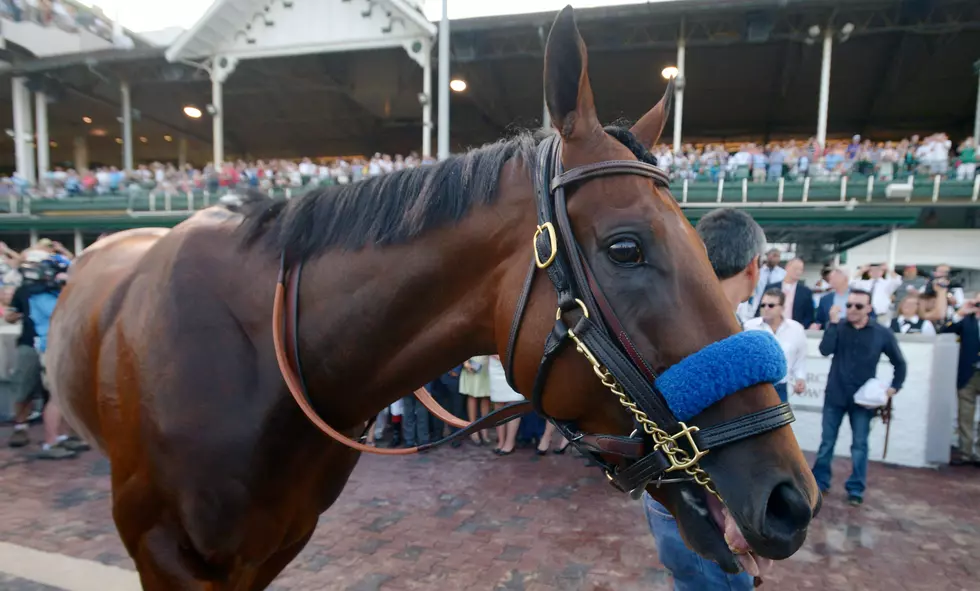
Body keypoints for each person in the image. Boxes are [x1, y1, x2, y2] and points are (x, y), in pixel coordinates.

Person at [643, 208, 765, 591]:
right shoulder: (731, 345)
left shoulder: (659, 324)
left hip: (667, 499)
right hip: (715, 512)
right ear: (754, 268)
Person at [811, 289, 906, 506]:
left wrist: (893, 388)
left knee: (860, 445)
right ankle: (820, 482)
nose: (852, 309)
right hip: (835, 395)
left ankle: (856, 488)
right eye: (850, 305)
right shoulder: (839, 327)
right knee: (827, 442)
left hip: (864, 400)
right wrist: (833, 324)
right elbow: (825, 350)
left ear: (869, 309)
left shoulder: (881, 333)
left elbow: (899, 363)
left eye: (858, 306)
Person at [10, 257, 89, 458]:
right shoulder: (42, 297)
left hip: (55, 347)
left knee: (61, 398)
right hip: (50, 348)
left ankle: (61, 437)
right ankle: (51, 441)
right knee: (56, 398)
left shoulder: (47, 294)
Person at [744, 288, 807, 403]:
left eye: (771, 305)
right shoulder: (749, 327)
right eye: (763, 305)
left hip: (781, 388)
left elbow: (800, 359)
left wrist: (800, 378)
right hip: (753, 387)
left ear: (782, 308)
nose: (766, 309)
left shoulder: (796, 329)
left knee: (781, 421)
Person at [941, 294, 980, 465]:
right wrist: (961, 312)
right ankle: (965, 452)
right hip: (968, 374)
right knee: (965, 415)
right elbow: (944, 331)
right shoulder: (966, 320)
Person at [757, 257, 814, 328]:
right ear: (787, 267)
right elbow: (760, 309)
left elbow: (809, 317)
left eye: (801, 269)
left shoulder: (806, 292)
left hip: (794, 330)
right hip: (770, 328)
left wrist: (801, 326)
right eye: (795, 268)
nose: (798, 272)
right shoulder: (771, 288)